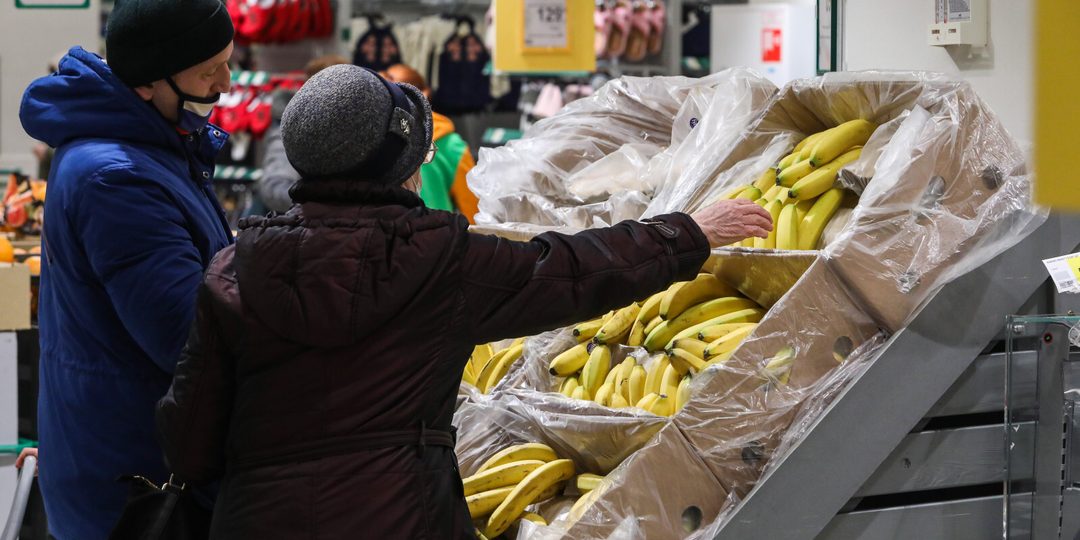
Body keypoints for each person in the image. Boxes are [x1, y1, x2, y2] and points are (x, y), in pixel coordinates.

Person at [156, 65, 772, 539]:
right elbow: (575, 268)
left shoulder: (234, 269)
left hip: (257, 521)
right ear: (401, 168)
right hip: (400, 517)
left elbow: (189, 439)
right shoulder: (439, 261)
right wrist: (687, 232)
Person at [18, 0, 235, 536]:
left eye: (227, 63)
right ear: (146, 82)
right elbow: (187, 336)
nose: (225, 84)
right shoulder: (117, 177)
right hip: (132, 480)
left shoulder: (155, 147)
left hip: (135, 457)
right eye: (209, 70)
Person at [381, 63, 481, 223]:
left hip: (382, 234)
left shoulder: (369, 137)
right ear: (424, 95)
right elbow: (473, 209)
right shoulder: (451, 145)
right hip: (436, 234)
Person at [257, 54, 349, 213]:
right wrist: (325, 205)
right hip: (288, 229)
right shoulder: (290, 129)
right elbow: (274, 189)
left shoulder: (341, 126)